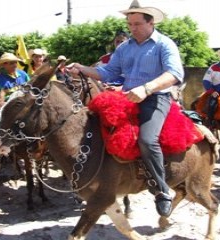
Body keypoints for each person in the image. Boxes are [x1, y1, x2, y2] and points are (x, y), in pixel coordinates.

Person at [67, 0, 184, 217]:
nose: (132, 28)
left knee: (148, 140)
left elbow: (174, 74)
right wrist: (82, 68)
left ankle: (161, 190)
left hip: (155, 98)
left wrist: (147, 88)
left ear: (151, 23)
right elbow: (108, 72)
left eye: (137, 23)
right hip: (127, 97)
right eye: (130, 24)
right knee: (93, 128)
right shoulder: (124, 47)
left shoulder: (165, 44)